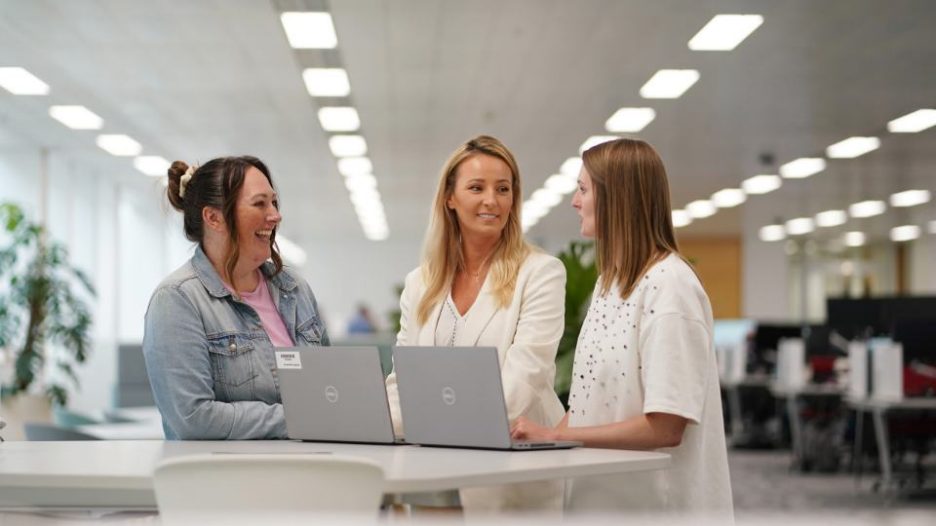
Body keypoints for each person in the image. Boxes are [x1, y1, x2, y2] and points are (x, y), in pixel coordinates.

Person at [511, 139, 733, 518]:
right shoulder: (608, 284)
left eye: (582, 189)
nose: (574, 201)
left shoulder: (671, 287)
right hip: (599, 501)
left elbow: (665, 426)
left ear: (618, 198)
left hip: (656, 508)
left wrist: (557, 436)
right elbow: (590, 401)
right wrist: (540, 438)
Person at [385, 135, 566, 513]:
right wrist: (373, 423)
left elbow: (525, 377)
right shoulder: (421, 283)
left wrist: (430, 423)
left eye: (503, 189)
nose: (491, 200)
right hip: (432, 475)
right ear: (450, 198)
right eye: (476, 187)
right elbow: (405, 381)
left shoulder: (541, 273)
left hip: (511, 476)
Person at [143, 156, 328, 440]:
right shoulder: (177, 300)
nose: (275, 215)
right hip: (225, 477)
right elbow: (194, 418)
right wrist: (299, 418)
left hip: (307, 465)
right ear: (213, 217)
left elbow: (330, 391)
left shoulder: (294, 289)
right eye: (259, 203)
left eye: (274, 202)